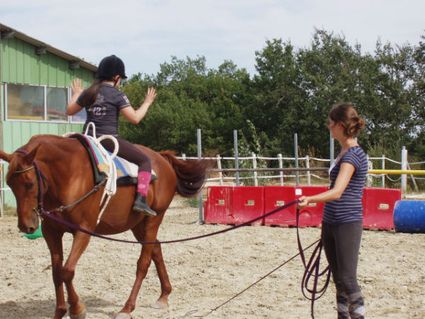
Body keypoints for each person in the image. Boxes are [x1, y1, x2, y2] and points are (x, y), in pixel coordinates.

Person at [298, 103, 367, 319]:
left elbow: (337, 192)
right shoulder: (343, 152)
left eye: (330, 123)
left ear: (339, 125)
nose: (328, 127)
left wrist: (310, 199)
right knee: (338, 279)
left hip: (347, 222)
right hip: (332, 221)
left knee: (347, 279)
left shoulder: (352, 156)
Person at [66, 54, 157, 217]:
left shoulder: (89, 92)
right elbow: (135, 118)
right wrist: (147, 103)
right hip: (107, 141)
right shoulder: (117, 94)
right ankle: (141, 200)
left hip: (87, 139)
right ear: (116, 78)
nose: (120, 81)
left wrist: (77, 93)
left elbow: (69, 111)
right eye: (120, 79)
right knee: (145, 161)